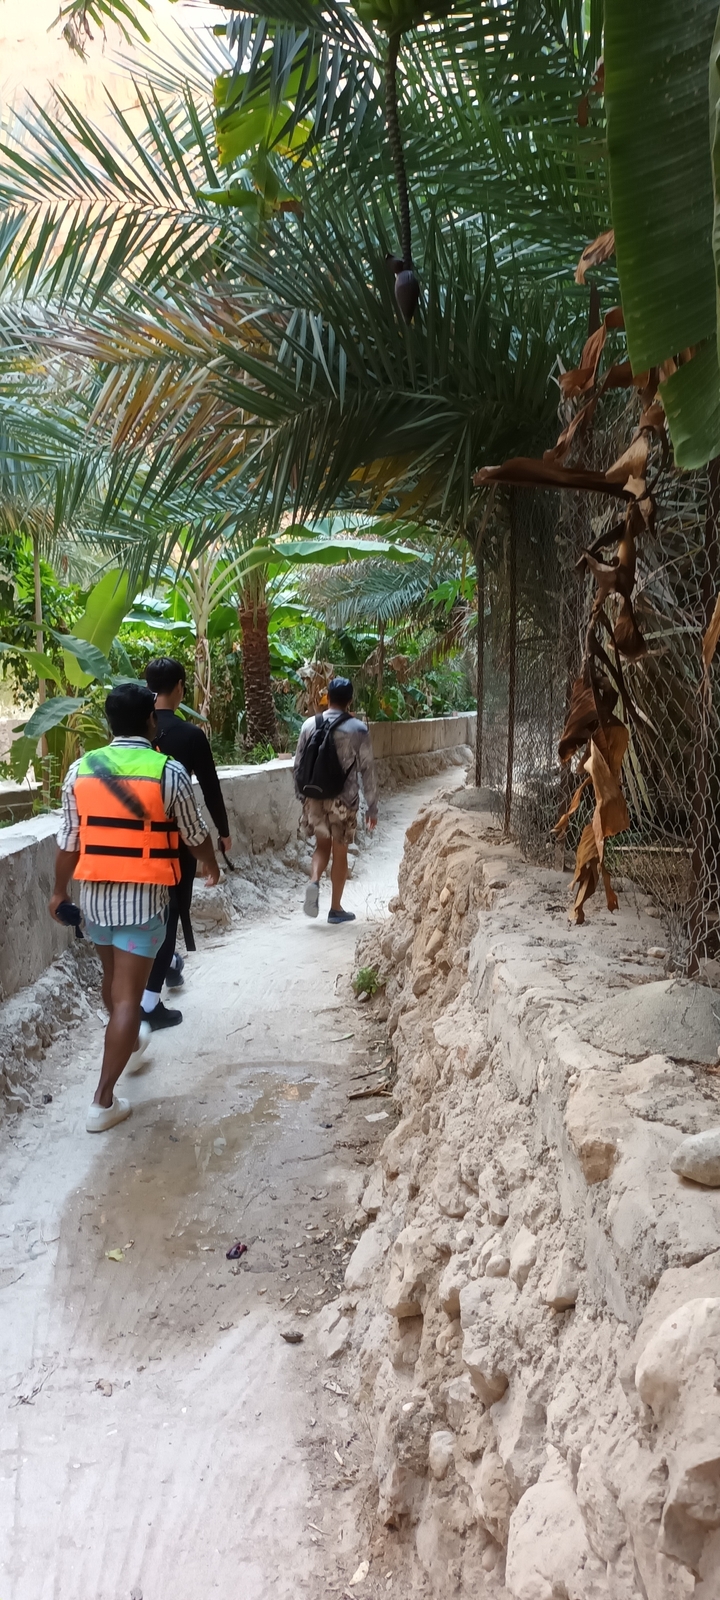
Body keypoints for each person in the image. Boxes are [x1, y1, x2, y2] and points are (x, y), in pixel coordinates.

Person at [49, 681, 219, 1133]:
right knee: (128, 1000)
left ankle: (129, 1038)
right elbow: (194, 834)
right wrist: (211, 865)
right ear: (150, 721)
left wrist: (57, 891)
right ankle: (102, 1101)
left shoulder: (80, 771)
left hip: (95, 902)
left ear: (110, 722)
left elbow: (69, 842)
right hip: (143, 901)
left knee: (114, 985)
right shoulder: (167, 772)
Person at [140, 657, 232, 1031]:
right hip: (177, 842)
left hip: (134, 840)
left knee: (146, 915)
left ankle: (169, 965)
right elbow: (210, 789)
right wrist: (222, 833)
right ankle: (149, 1001)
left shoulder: (137, 730)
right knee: (171, 912)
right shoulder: (191, 736)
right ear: (179, 686)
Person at [294, 675, 378, 924]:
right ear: (350, 700)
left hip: (315, 796)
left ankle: (313, 881)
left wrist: (303, 797)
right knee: (340, 852)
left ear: (327, 698)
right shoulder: (358, 730)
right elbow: (368, 770)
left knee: (322, 846)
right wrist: (372, 807)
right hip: (344, 800)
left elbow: (298, 764)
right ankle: (336, 909)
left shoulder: (309, 724)